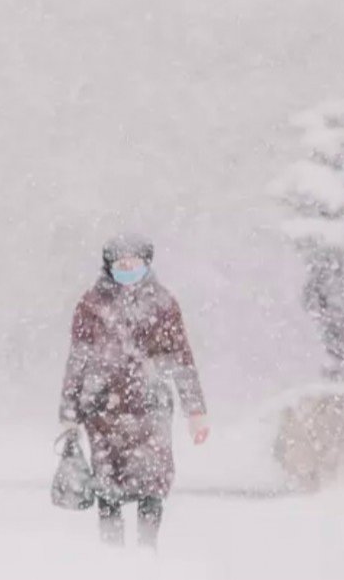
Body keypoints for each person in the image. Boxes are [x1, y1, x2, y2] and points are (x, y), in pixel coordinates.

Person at [58, 234, 209, 549]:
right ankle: (112, 558)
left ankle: (146, 554)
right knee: (108, 488)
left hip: (150, 406)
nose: (127, 268)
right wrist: (69, 413)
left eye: (134, 263)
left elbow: (182, 358)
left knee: (152, 485)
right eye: (120, 264)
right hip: (103, 409)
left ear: (147, 263)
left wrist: (195, 411)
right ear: (109, 266)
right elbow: (78, 359)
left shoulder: (163, 304)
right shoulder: (91, 305)